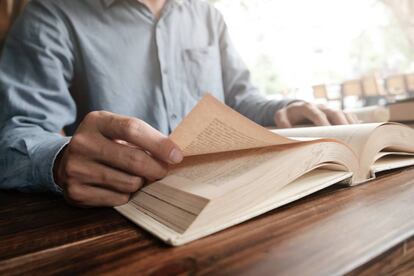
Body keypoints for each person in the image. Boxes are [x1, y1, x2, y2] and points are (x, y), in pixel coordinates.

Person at [0, 0, 356, 207]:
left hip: (226, 199)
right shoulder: (51, 14)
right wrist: (60, 159)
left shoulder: (207, 15)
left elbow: (239, 99)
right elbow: (14, 134)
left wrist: (284, 109)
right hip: (120, 214)